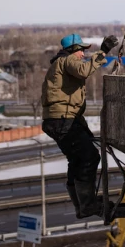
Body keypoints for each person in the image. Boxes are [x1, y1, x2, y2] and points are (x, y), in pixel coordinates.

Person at [42, 32, 118, 218]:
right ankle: (87, 205)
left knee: (77, 160)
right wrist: (103, 51)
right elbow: (84, 70)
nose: (83, 54)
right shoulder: (67, 60)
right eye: (81, 51)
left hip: (63, 119)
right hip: (63, 119)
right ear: (73, 50)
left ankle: (82, 206)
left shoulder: (61, 62)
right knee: (88, 157)